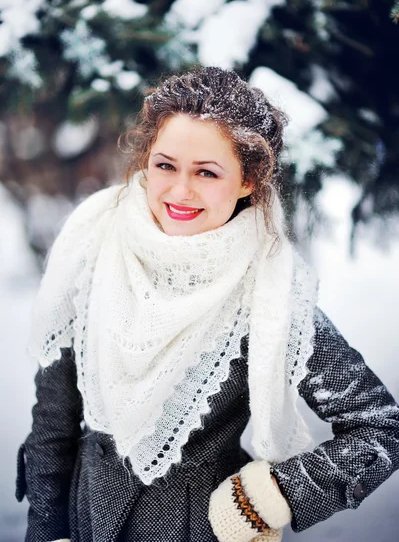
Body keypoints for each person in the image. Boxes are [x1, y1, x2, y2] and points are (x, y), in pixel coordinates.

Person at [16, 67, 399, 542]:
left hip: (198, 527)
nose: (180, 191)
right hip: (85, 519)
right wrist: (46, 530)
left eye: (207, 172)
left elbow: (379, 427)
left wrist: (269, 497)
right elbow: (53, 424)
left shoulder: (269, 292)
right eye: (165, 165)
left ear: (248, 182)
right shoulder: (94, 247)